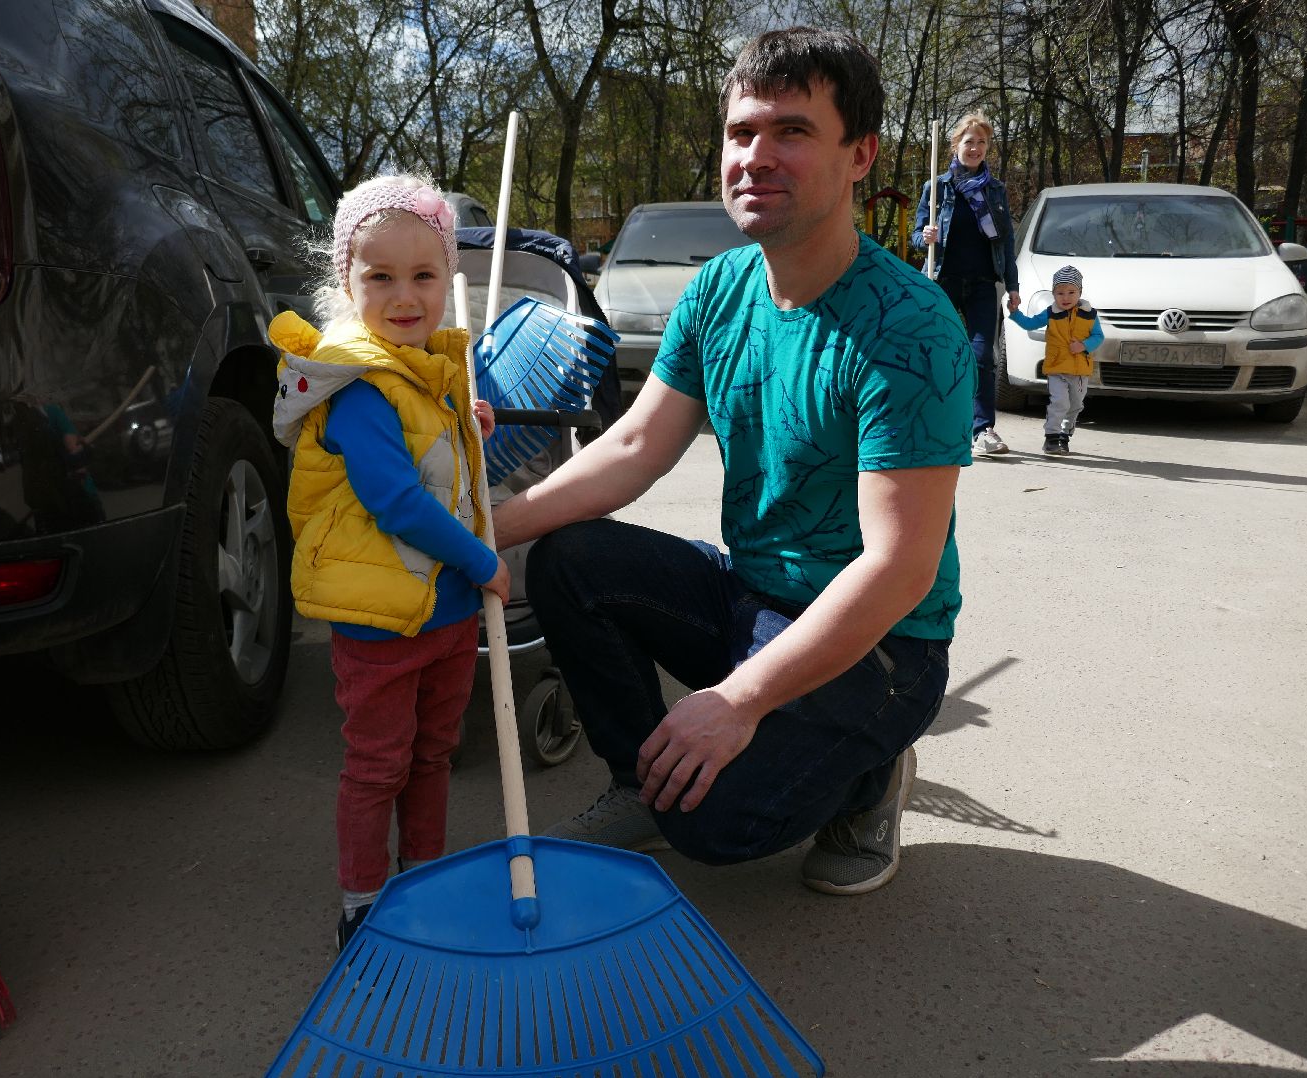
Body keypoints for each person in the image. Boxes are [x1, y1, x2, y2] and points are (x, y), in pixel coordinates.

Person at [493, 28, 973, 896]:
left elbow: (900, 571)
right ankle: (643, 784)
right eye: (741, 132)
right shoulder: (719, 288)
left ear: (860, 154)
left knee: (713, 824)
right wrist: (491, 533)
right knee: (565, 560)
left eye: (792, 132)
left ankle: (868, 779)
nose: (756, 156)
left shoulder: (911, 327)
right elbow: (638, 444)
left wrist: (737, 701)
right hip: (751, 593)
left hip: (886, 645)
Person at [268, 175, 507, 948]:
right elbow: (397, 502)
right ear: (346, 281)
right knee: (379, 766)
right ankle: (365, 906)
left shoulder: (427, 370)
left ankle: (425, 881)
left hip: (442, 615)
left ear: (447, 279)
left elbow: (432, 458)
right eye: (380, 277)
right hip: (380, 625)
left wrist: (466, 425)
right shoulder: (360, 385)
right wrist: (484, 562)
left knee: (433, 755)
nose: (404, 297)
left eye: (423, 275)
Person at [912, 111, 1020, 457]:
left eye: (981, 142)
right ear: (956, 144)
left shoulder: (995, 190)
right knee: (937, 352)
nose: (975, 148)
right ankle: (931, 420)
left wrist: (1013, 286)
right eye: (969, 141)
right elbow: (917, 237)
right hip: (943, 281)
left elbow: (1005, 243)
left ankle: (982, 429)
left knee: (981, 357)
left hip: (983, 283)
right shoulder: (937, 187)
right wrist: (924, 235)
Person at [1007, 265, 1103, 455]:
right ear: (1053, 294)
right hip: (1057, 369)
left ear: (1080, 292)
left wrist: (1084, 345)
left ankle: (1064, 435)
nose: (1065, 297)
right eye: (1060, 293)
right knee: (1060, 403)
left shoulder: (1090, 314)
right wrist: (1015, 313)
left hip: (1080, 372)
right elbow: (1030, 323)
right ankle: (1051, 439)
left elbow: (1098, 337)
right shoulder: (1051, 313)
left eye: (1071, 292)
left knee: (1075, 406)